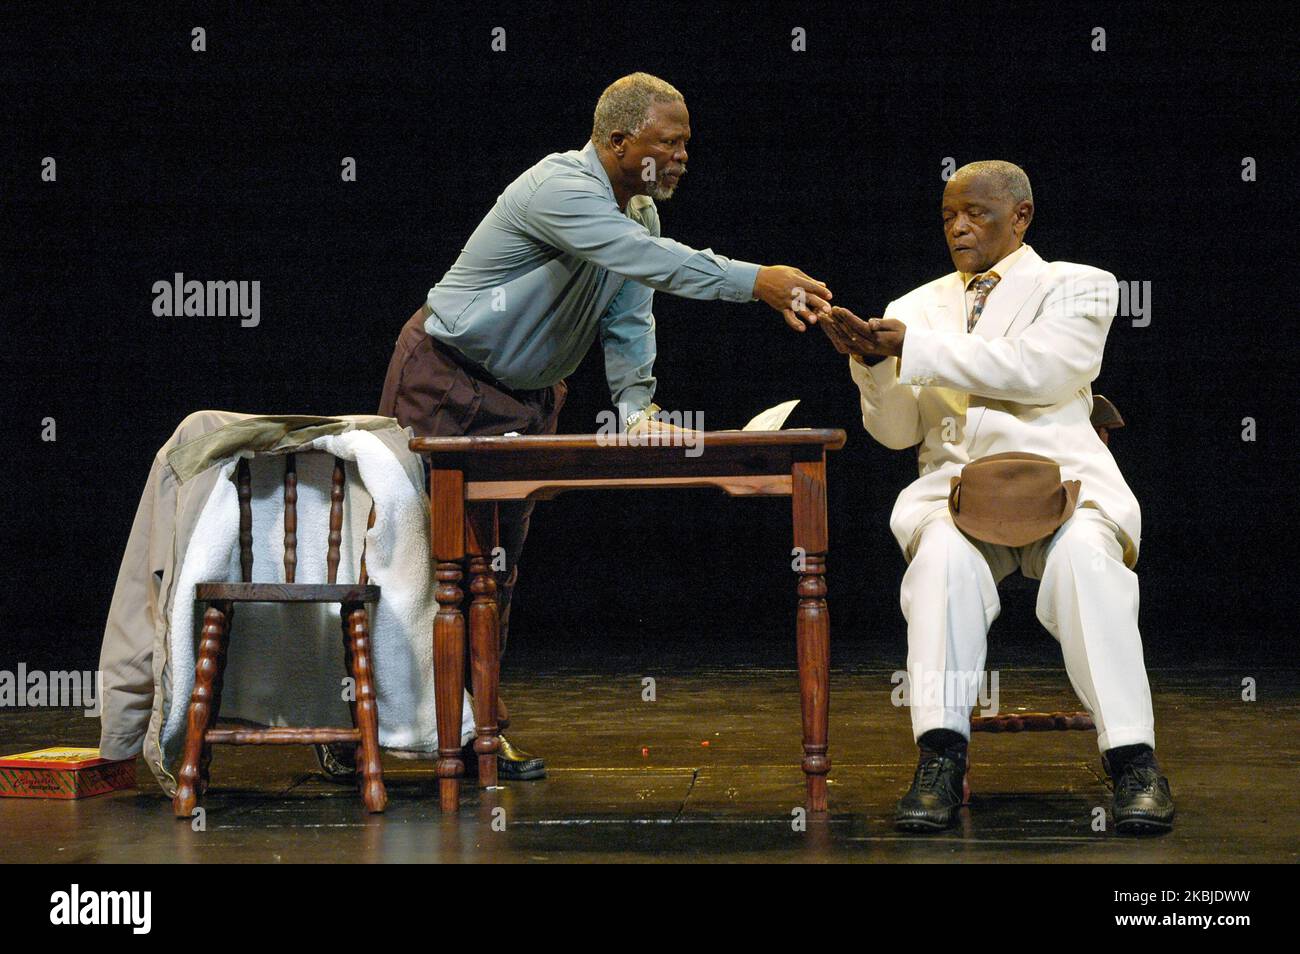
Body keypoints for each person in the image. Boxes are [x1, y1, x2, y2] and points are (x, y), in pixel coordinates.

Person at [365, 72, 833, 780]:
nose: (681, 157)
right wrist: (756, 280)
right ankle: (358, 730)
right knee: (415, 566)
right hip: (447, 380)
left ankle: (475, 731)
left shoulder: (637, 213)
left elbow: (629, 315)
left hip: (523, 403)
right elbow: (647, 263)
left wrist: (636, 406)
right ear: (619, 141)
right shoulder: (561, 189)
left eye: (686, 145)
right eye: (667, 143)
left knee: (494, 575)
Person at [820, 160, 1174, 834]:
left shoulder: (1079, 286)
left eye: (976, 213)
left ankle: (1134, 760)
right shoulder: (912, 307)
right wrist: (872, 369)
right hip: (957, 492)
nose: (958, 226)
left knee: (1089, 570)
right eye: (949, 214)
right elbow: (897, 434)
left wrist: (917, 351)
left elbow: (1040, 371)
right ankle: (940, 757)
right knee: (940, 568)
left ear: (1021, 217)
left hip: (1064, 486)